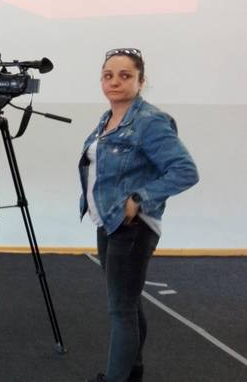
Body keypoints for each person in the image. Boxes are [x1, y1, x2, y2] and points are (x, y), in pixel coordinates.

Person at [80, 48, 199, 382]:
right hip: (109, 221)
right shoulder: (108, 119)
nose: (115, 82)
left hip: (132, 226)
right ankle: (132, 372)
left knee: (121, 309)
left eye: (125, 75)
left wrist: (139, 199)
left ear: (141, 81)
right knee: (129, 303)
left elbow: (185, 171)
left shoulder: (149, 121)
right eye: (108, 75)